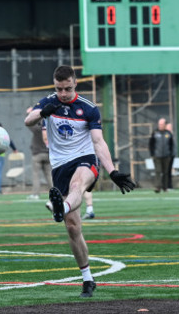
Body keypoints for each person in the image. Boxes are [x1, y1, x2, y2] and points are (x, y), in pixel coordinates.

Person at [24, 65, 135, 298]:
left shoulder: (89, 108)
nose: (63, 93)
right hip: (59, 167)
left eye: (67, 88)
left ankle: (60, 207)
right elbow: (28, 121)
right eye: (59, 89)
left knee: (77, 186)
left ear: (75, 84)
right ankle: (87, 278)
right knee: (73, 227)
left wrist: (112, 171)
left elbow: (98, 142)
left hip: (85, 160)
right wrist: (44, 111)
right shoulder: (49, 102)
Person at [26, 106, 51, 200]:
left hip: (37, 154)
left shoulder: (36, 129)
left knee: (36, 175)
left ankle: (36, 194)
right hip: (47, 154)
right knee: (49, 175)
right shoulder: (48, 129)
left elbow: (28, 122)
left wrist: (29, 113)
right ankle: (54, 193)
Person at [149, 118, 174, 193]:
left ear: (165, 125)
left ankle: (165, 187)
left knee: (166, 172)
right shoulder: (155, 133)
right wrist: (152, 154)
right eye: (159, 124)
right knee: (158, 171)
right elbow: (151, 144)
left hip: (166, 156)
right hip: (157, 156)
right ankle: (157, 187)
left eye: (162, 124)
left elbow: (171, 144)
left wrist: (170, 154)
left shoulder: (168, 134)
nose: (160, 126)